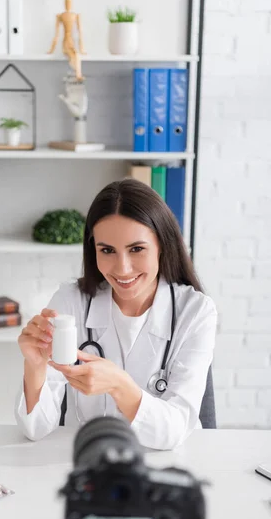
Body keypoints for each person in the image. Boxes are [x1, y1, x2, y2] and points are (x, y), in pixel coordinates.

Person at [15, 179, 217, 450]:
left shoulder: (195, 312)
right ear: (93, 249)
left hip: (165, 466)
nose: (122, 269)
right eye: (107, 250)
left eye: (137, 249)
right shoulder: (70, 301)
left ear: (162, 245)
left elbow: (175, 430)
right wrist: (35, 365)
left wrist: (120, 386)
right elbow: (35, 429)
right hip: (88, 463)